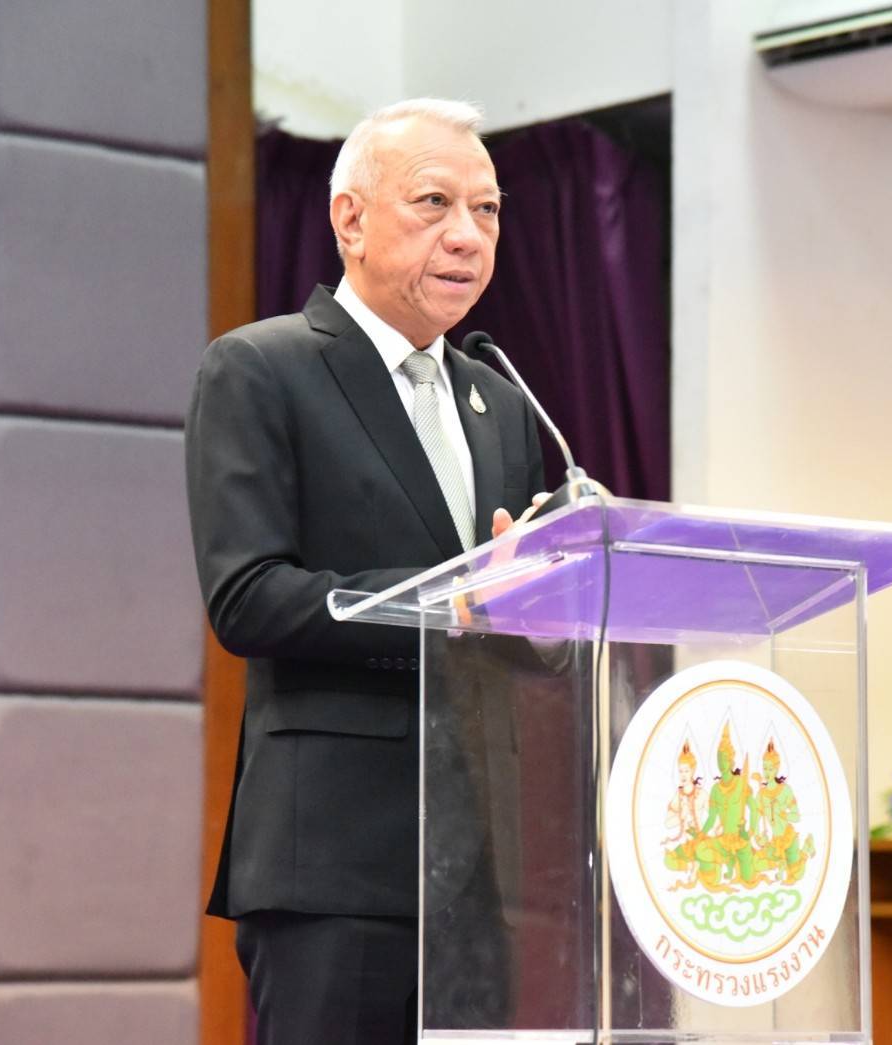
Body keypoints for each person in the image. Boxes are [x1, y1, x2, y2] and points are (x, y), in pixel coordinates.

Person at [185, 97, 547, 1045]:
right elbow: (248, 598)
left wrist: (551, 603)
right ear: (349, 218)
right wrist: (448, 604)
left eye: (487, 210)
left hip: (479, 873)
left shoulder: (501, 401)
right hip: (334, 864)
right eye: (434, 202)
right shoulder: (261, 369)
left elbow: (508, 633)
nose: (467, 235)